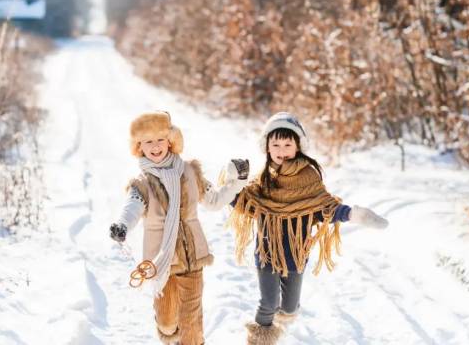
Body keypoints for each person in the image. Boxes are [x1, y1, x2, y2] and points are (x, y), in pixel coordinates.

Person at [226, 112, 389, 345]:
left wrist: (354, 214)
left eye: (287, 144)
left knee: (289, 308)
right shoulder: (263, 180)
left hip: (295, 254)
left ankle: (285, 317)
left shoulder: (309, 178)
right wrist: (231, 186)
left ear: (298, 146)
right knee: (268, 303)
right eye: (276, 144)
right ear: (267, 148)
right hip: (267, 252)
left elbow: (324, 208)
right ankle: (259, 340)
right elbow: (244, 203)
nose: (282, 150)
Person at [108, 111, 251, 345]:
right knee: (166, 322)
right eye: (148, 142)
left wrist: (237, 183)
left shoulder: (190, 172)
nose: (155, 147)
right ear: (139, 146)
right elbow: (132, 207)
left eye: (160, 140)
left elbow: (214, 201)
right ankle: (171, 335)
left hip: (193, 257)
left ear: (171, 141)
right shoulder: (141, 183)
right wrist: (122, 225)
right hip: (161, 261)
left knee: (191, 319)